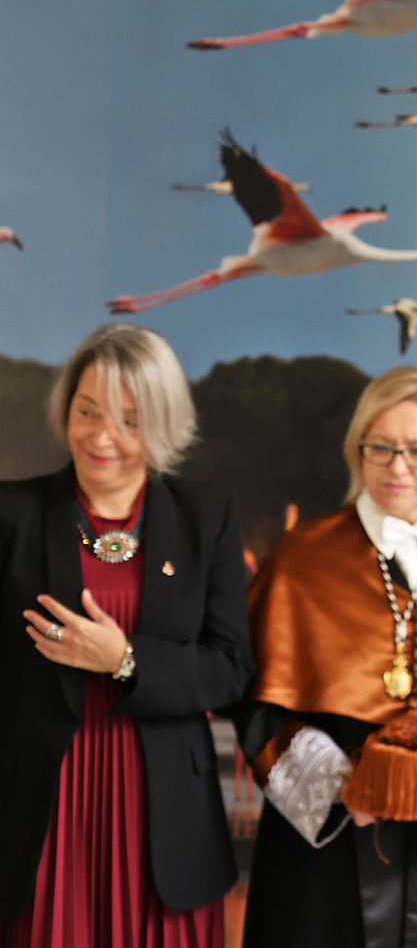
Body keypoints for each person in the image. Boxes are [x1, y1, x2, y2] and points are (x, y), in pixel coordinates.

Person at [236, 367, 417, 947]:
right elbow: (255, 704)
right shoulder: (300, 558)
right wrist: (345, 793)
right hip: (327, 861)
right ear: (357, 449)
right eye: (380, 448)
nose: (397, 467)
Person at [0, 323, 254, 947]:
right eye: (87, 411)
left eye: (127, 419)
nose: (100, 436)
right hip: (44, 803)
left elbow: (229, 668)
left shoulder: (206, 515)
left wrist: (126, 659)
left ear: (162, 423)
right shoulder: (12, 513)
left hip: (165, 806)